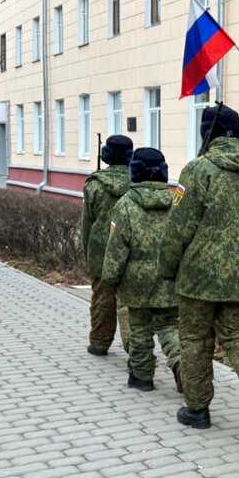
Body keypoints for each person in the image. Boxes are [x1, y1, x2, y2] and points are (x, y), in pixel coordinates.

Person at [158, 104, 239, 442]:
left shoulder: (198, 170)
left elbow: (179, 227)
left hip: (198, 277)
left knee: (195, 339)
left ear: (207, 133)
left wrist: (166, 267)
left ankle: (197, 410)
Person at [101, 148, 182, 392]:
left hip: (136, 282)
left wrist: (109, 278)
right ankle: (182, 366)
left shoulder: (125, 205)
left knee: (139, 329)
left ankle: (142, 376)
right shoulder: (176, 203)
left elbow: (117, 247)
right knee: (169, 326)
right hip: (169, 278)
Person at [81, 135, 133, 357]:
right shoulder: (137, 183)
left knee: (102, 298)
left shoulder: (94, 185)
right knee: (128, 301)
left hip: (101, 251)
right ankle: (136, 349)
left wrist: (88, 254)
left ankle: (99, 343)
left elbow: (86, 225)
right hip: (131, 250)